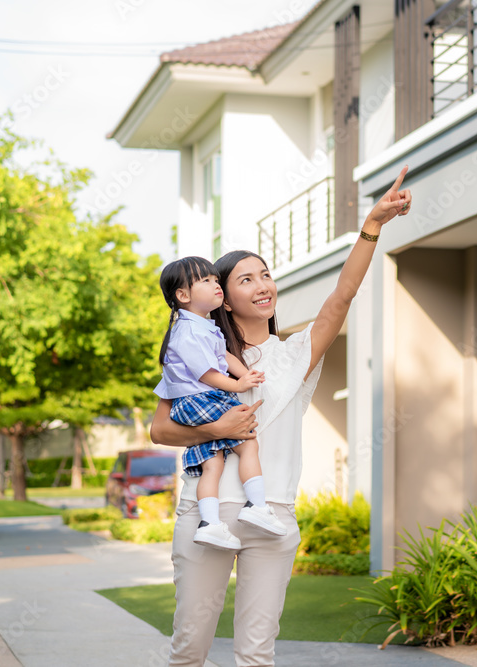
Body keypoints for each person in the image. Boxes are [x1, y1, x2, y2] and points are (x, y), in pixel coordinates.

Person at [150, 166, 412, 667]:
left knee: (257, 654)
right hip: (207, 516)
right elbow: (160, 429)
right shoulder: (196, 355)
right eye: (246, 278)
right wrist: (218, 428)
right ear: (222, 295)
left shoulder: (294, 355)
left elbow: (341, 298)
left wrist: (372, 226)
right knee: (189, 649)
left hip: (272, 515)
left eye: (266, 273)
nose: (263, 284)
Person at [154, 256, 287, 551]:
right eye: (206, 281)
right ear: (183, 295)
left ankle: (209, 524)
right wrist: (238, 385)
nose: (216, 286)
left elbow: (224, 356)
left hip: (192, 403)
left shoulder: (203, 326)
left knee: (211, 465)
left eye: (216, 280)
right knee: (248, 441)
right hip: (199, 399)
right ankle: (256, 505)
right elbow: (207, 372)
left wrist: (245, 372)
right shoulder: (189, 331)